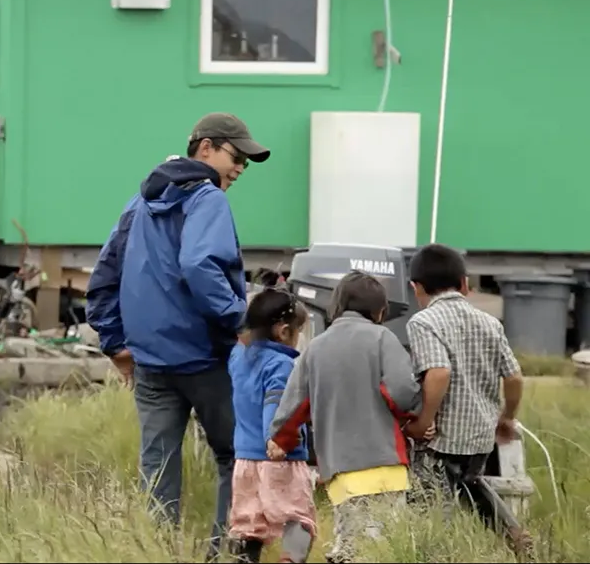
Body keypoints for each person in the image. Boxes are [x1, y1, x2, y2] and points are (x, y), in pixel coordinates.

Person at [85, 112, 270, 560]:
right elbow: (199, 265)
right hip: (206, 359)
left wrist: (115, 343)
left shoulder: (140, 201)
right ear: (205, 147)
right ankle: (225, 556)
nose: (240, 168)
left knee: (158, 467)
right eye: (236, 156)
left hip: (150, 362)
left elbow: (105, 274)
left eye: (246, 162)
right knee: (236, 457)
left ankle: (156, 553)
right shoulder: (208, 198)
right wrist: (239, 321)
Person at [267, 271, 421, 564]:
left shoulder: (315, 349)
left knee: (352, 543)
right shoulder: (383, 338)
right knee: (383, 550)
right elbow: (402, 392)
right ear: (380, 311)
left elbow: (294, 405)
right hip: (385, 468)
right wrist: (413, 415)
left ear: (335, 307)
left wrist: (281, 440)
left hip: (341, 473)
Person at [401, 243, 534, 559]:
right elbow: (514, 377)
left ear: (416, 287)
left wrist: (422, 422)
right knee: (470, 481)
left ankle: (441, 553)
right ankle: (514, 533)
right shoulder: (490, 322)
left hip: (442, 438)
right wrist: (507, 417)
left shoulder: (423, 322)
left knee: (434, 506)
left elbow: (439, 372)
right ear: (464, 283)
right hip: (480, 436)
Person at [227, 287, 315, 564]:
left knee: (247, 527)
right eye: (299, 331)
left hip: (245, 462)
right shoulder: (281, 364)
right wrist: (276, 438)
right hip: (280, 458)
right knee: (298, 522)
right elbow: (275, 404)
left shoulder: (237, 357)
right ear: (284, 332)